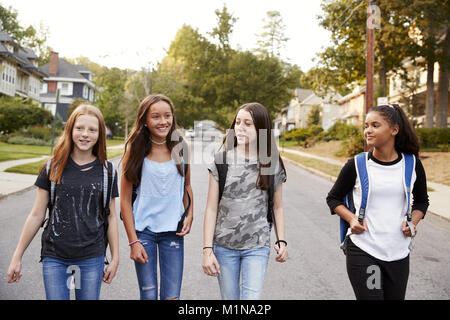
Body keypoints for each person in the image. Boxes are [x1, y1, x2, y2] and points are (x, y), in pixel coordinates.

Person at [7, 104, 119, 300]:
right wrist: (17, 255)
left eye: (92, 130)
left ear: (100, 134)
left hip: (91, 257)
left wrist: (115, 257)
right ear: (70, 130)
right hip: (55, 257)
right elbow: (36, 215)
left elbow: (110, 217)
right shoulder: (52, 167)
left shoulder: (107, 172)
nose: (85, 134)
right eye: (79, 128)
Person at [326, 104, 429, 300]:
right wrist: (352, 219)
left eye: (375, 125)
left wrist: (413, 223)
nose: (368, 130)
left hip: (398, 252)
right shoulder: (357, 164)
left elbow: (422, 201)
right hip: (365, 249)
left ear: (394, 130)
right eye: (366, 125)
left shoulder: (412, 164)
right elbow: (333, 198)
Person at [202, 102, 288, 300]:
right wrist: (207, 249)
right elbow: (211, 209)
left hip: (257, 246)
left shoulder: (271, 163)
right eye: (238, 122)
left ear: (261, 129)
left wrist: (281, 240)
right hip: (223, 246)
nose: (240, 127)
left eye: (248, 123)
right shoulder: (221, 160)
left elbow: (278, 206)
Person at [120, 94, 193, 300]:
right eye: (156, 117)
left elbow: (187, 186)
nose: (163, 121)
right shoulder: (134, 150)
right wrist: (133, 242)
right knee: (149, 296)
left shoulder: (181, 147)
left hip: (173, 232)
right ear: (145, 120)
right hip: (144, 234)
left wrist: (189, 215)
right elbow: (125, 200)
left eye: (167, 115)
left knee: (171, 297)